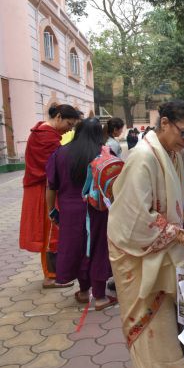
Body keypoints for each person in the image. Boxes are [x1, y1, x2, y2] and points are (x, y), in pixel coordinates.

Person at [107, 100, 184, 368]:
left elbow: (172, 202)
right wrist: (180, 235)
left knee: (166, 323)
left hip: (158, 251)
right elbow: (137, 218)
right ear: (164, 123)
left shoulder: (171, 153)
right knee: (152, 331)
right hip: (136, 255)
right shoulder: (143, 157)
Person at [46, 118, 116, 310]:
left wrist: (52, 210)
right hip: (99, 210)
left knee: (77, 248)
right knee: (99, 249)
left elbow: (51, 186)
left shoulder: (60, 153)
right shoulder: (106, 153)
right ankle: (100, 297)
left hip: (70, 212)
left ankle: (84, 292)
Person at [19, 103, 80, 288]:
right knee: (52, 232)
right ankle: (51, 276)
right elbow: (53, 167)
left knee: (53, 231)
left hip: (46, 187)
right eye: (69, 124)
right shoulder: (46, 137)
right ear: (59, 117)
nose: (69, 129)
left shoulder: (46, 134)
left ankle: (56, 272)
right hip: (43, 190)